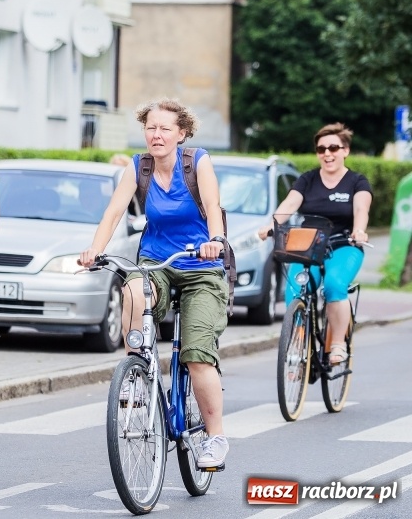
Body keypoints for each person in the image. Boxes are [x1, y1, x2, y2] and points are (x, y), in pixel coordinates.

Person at [79, 98, 229, 469]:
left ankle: (215, 437)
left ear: (181, 133)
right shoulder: (138, 167)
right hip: (157, 262)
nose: (156, 135)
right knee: (132, 288)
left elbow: (212, 206)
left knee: (196, 356)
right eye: (150, 128)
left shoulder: (197, 162)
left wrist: (216, 240)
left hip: (200, 265)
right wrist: (95, 250)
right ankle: (136, 369)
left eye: (164, 128)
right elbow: (114, 211)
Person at [258, 123, 372, 364]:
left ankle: (338, 343)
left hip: (344, 246)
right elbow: (289, 205)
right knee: (295, 290)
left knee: (334, 285)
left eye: (333, 148)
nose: (327, 153)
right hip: (309, 247)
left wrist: (359, 230)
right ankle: (297, 347)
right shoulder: (307, 180)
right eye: (321, 149)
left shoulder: (356, 182)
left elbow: (361, 209)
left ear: (345, 151)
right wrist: (272, 225)